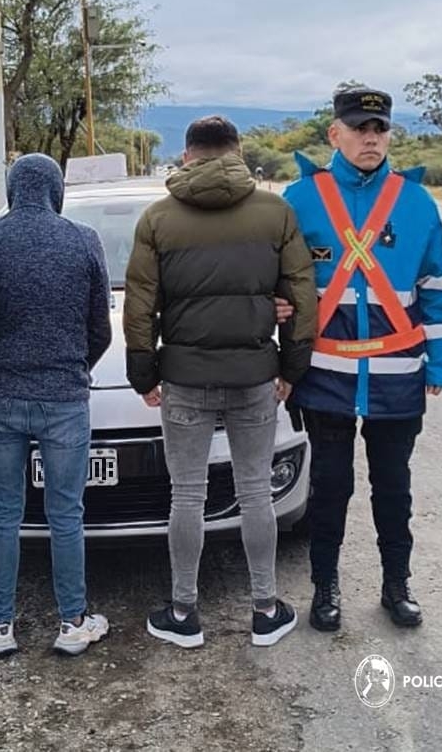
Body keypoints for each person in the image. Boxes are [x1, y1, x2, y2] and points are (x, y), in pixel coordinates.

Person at [124, 115, 317, 648]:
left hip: (184, 379)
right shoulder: (275, 212)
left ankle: (183, 612)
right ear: (238, 152)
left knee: (186, 495)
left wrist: (143, 371)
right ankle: (266, 610)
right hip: (255, 377)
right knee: (255, 491)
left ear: (188, 155)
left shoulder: (158, 218)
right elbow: (300, 294)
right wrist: (292, 367)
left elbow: (140, 303)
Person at [282, 86, 442, 632]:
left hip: (396, 374)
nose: (371, 138)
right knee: (330, 488)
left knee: (394, 489)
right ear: (334, 133)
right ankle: (325, 588)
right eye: (359, 128)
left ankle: (396, 586)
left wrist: (441, 362)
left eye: (379, 129)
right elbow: (275, 279)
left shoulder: (417, 202)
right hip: (325, 375)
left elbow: (437, 288)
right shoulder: (300, 198)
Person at [0, 153, 112, 657]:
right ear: (56, 190)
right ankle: (73, 622)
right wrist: (74, 367)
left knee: (3, 511)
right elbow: (100, 329)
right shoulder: (83, 240)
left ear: (11, 191)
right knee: (65, 512)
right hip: (64, 397)